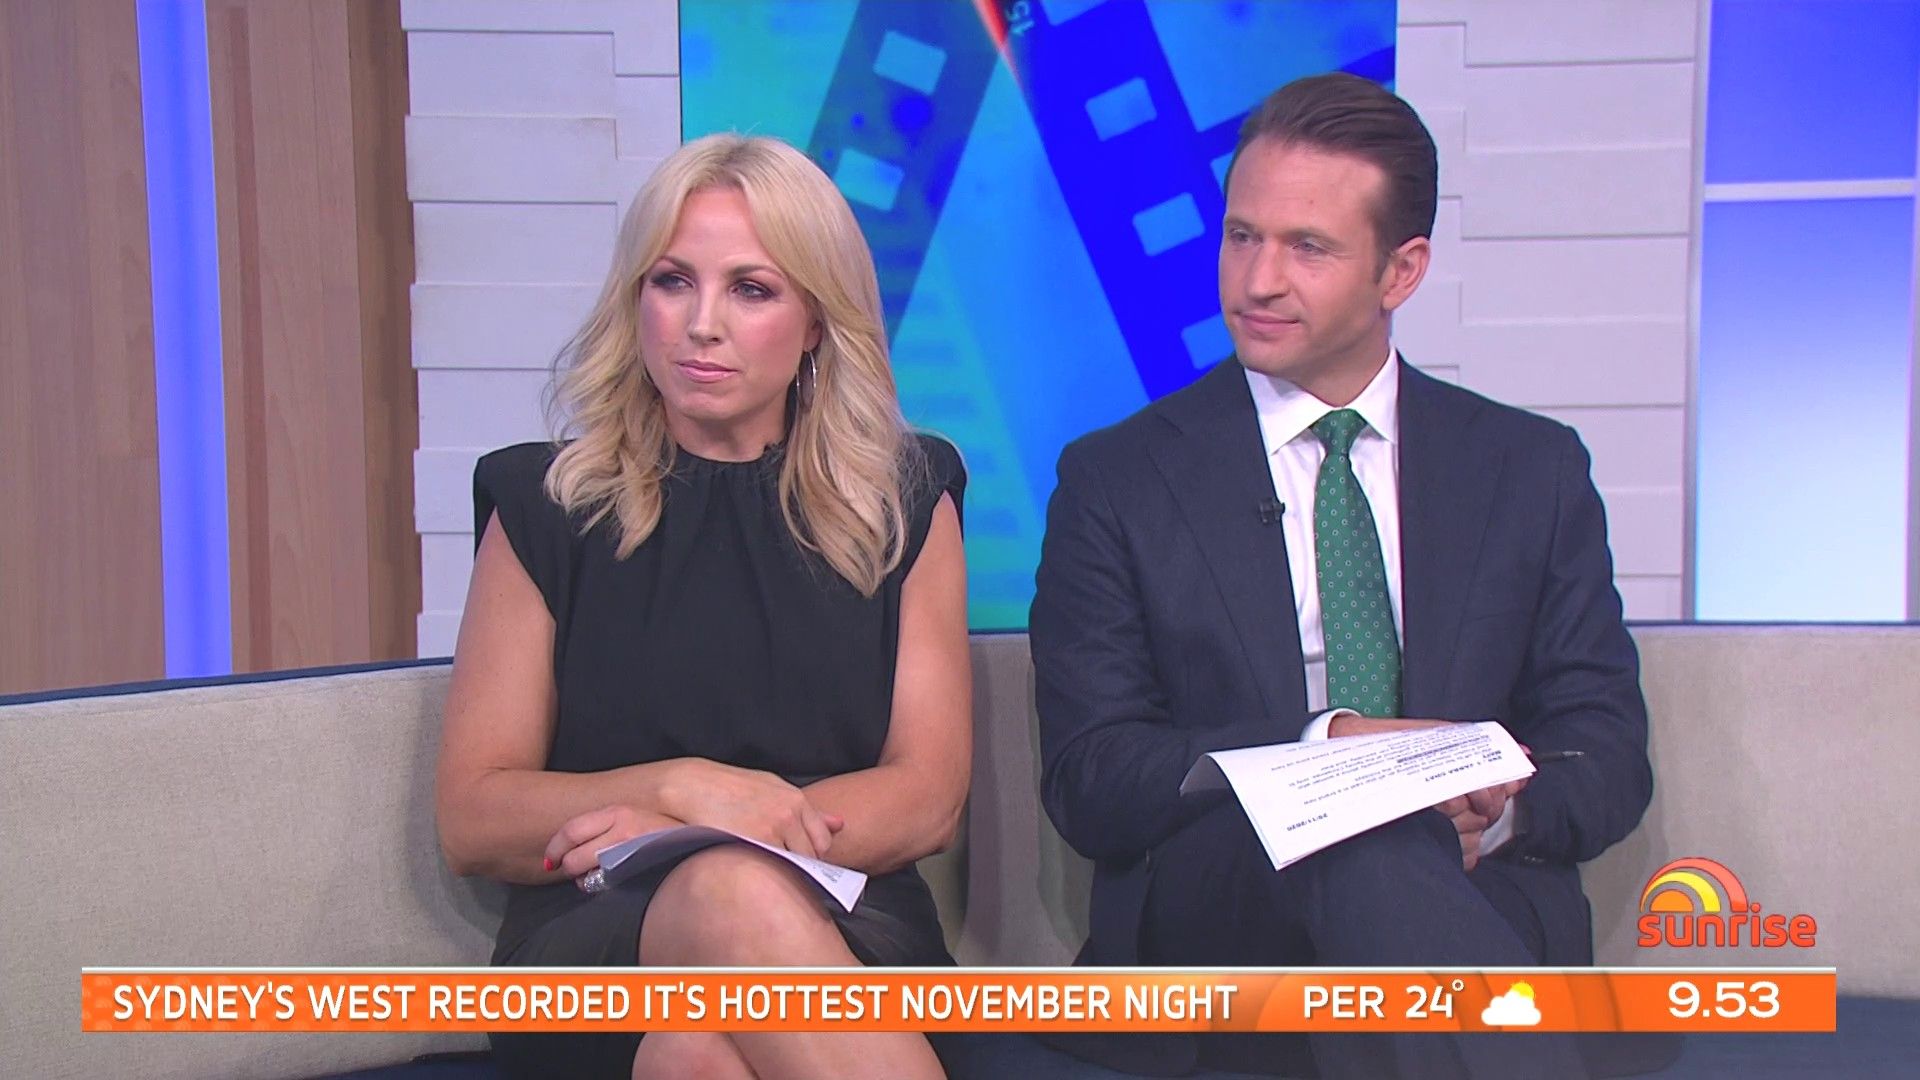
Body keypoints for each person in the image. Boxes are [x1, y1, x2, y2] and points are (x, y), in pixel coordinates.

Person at [1030, 74, 1655, 1079]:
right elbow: (1092, 777)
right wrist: (1329, 754)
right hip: (1224, 913)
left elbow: (1607, 752)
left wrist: (1494, 807)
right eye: (1242, 236)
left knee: (1394, 861)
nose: (1258, 281)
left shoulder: (1528, 470)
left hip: (1475, 894)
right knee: (1368, 832)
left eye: (1308, 248)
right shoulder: (1118, 480)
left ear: (1401, 271)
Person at [434, 133, 970, 1080]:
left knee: (694, 1051)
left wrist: (706, 833)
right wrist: (681, 790)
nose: (701, 325)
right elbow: (474, 815)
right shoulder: (545, 505)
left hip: (849, 919)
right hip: (597, 934)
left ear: (816, 321)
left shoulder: (904, 498)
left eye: (751, 290)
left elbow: (926, 797)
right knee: (723, 897)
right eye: (673, 281)